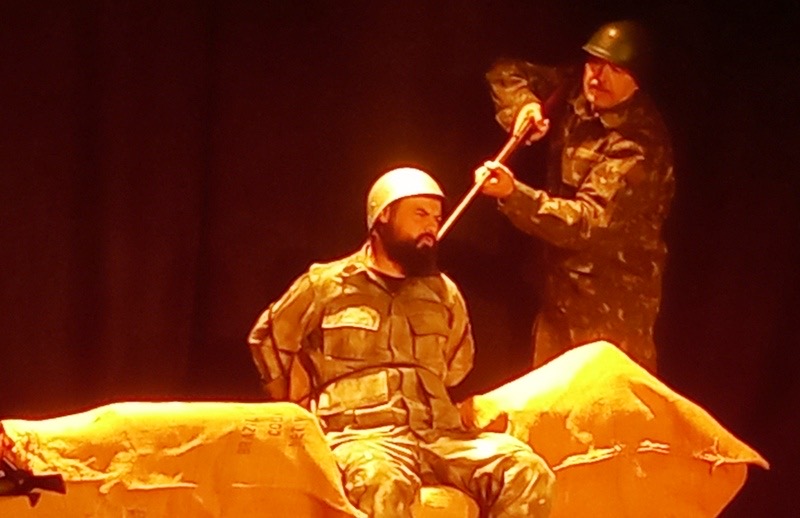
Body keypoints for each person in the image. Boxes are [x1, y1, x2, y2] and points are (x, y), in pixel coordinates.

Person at [248, 167, 555, 517]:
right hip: (364, 438)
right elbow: (268, 340)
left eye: (436, 218)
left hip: (439, 436)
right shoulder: (326, 284)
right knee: (380, 483)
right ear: (384, 215)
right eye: (420, 214)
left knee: (526, 471)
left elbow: (457, 365)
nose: (431, 226)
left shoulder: (443, 292)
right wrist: (296, 405)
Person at [475, 20, 675, 373]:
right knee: (548, 403)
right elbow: (505, 72)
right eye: (595, 63)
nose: (599, 77)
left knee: (605, 404)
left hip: (611, 316)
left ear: (637, 80)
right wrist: (524, 107)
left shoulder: (640, 145)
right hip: (559, 302)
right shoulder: (574, 88)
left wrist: (513, 194)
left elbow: (588, 223)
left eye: (616, 70)